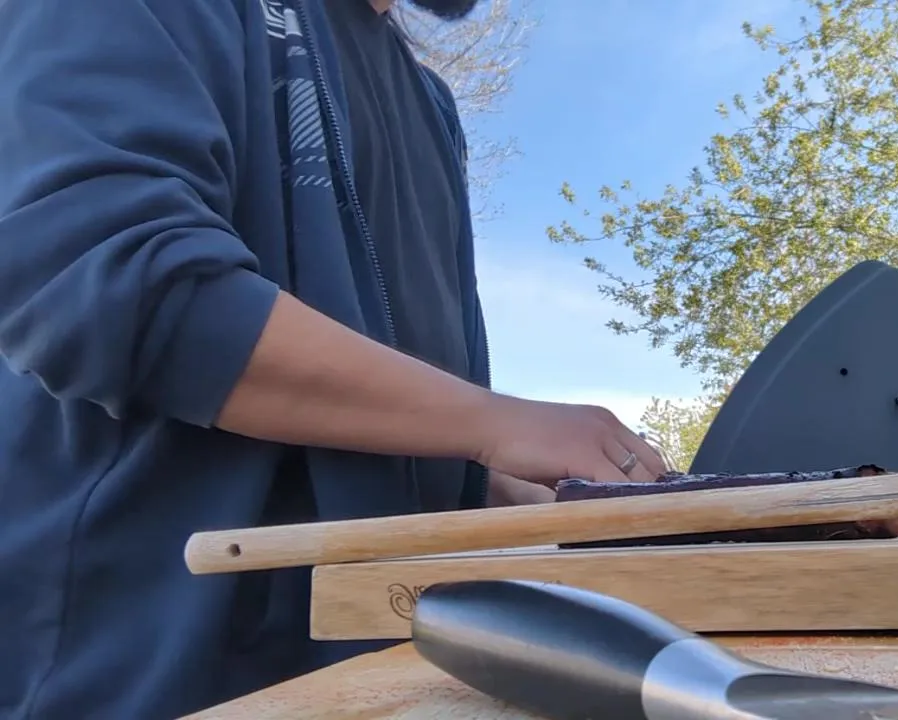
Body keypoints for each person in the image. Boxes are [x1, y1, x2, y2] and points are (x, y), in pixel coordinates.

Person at [0, 0, 667, 717]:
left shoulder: (432, 105)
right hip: (143, 678)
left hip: (380, 673)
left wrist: (533, 492)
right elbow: (101, 284)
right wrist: (493, 421)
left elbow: (411, 427)